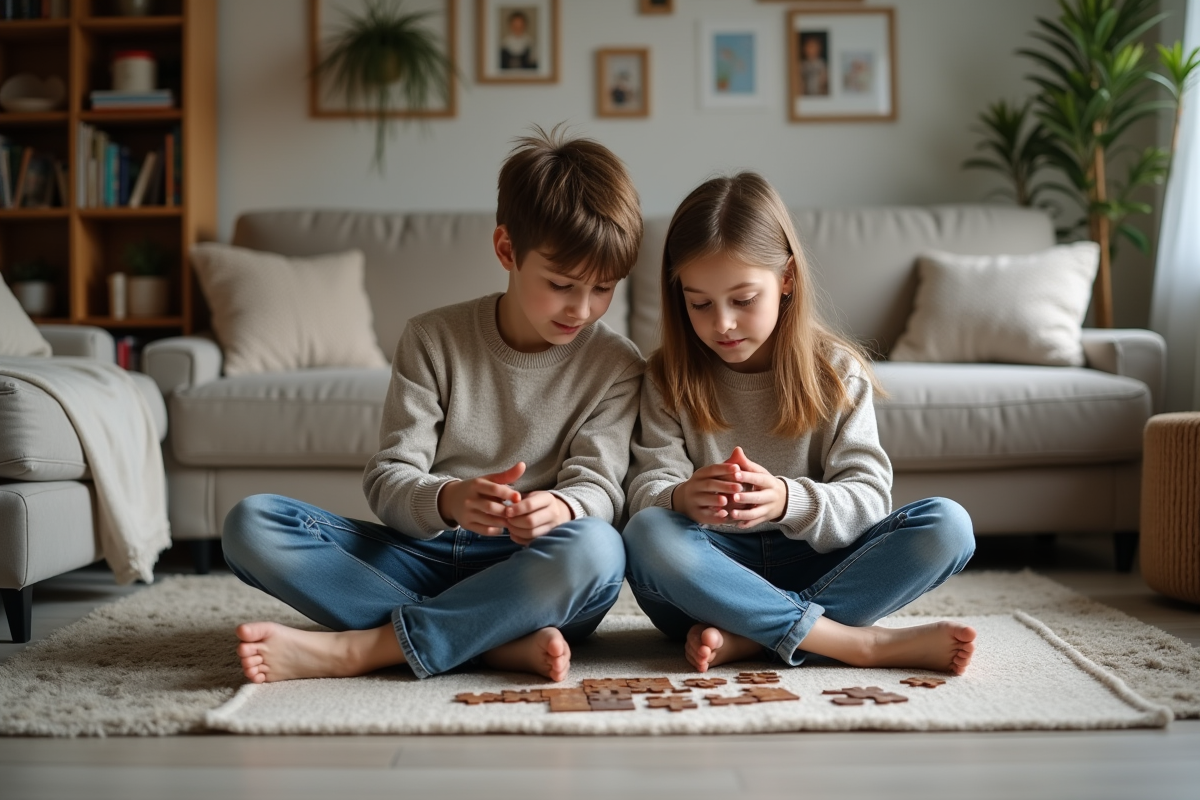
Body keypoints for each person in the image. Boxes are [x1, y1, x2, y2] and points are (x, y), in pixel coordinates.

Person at [223, 126, 645, 684]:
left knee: (598, 549)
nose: (583, 308)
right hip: (425, 556)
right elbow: (390, 479)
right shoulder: (432, 337)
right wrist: (448, 499)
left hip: (532, 569)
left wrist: (563, 509)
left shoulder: (617, 365)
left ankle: (365, 649)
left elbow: (602, 488)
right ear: (506, 250)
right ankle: (491, 637)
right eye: (563, 284)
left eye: (604, 288)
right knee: (252, 525)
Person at [622, 172, 977, 676]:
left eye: (743, 300)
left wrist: (789, 499)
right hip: (712, 573)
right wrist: (681, 497)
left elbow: (870, 499)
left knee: (948, 526)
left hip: (815, 560)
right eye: (699, 303)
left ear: (786, 278)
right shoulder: (667, 376)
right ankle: (856, 644)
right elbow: (644, 490)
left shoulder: (836, 371)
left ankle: (754, 636)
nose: (721, 322)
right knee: (647, 534)